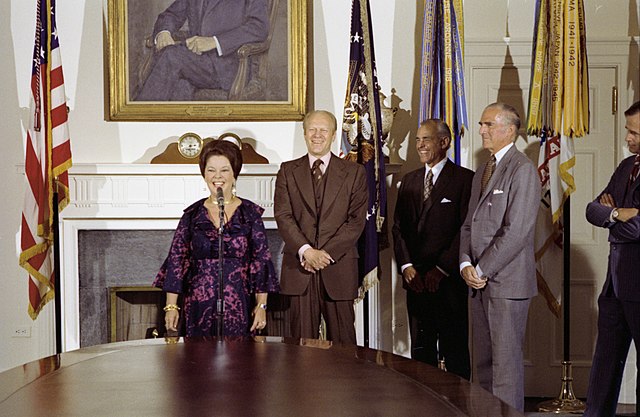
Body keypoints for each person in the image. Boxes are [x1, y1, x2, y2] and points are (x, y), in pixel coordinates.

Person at [459, 102, 541, 411]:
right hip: (478, 283)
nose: (481, 130)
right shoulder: (484, 169)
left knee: (505, 370)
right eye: (482, 124)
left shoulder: (522, 170)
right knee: (483, 365)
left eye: (487, 124)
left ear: (509, 130)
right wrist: (466, 263)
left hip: (505, 285)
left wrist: (481, 270)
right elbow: (470, 223)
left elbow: (517, 231)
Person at [154, 139, 279, 337]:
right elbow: (177, 261)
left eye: (224, 170)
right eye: (211, 170)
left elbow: (261, 263)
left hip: (239, 305)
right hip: (198, 304)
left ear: (234, 173)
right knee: (198, 362)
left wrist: (261, 305)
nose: (217, 176)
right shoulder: (192, 215)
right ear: (204, 173)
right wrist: (171, 306)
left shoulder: (250, 214)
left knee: (238, 362)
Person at [274, 110, 368, 344]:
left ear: (334, 135)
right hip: (300, 269)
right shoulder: (287, 170)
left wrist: (323, 255)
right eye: (312, 130)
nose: (317, 135)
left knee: (345, 349)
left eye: (323, 130)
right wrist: (307, 251)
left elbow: (356, 221)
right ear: (304, 134)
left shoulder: (354, 173)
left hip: (339, 268)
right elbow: (283, 216)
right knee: (300, 350)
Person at [392, 119, 474, 379]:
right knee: (421, 353)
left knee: (455, 351)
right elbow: (398, 228)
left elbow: (466, 228)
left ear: (444, 142)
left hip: (448, 283)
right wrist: (406, 267)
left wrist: (441, 269)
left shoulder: (465, 180)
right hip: (415, 282)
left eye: (426, 139)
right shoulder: (410, 180)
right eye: (417, 140)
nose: (420, 145)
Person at [583, 101, 640, 417]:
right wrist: (617, 212)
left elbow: (638, 228)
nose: (628, 139)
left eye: (634, 133)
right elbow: (593, 209)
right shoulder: (625, 167)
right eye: (627, 131)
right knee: (604, 364)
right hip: (614, 288)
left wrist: (613, 216)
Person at [136, 0, 269, 101]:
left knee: (171, 56)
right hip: (193, 62)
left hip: (229, 66)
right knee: (180, 86)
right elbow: (171, 14)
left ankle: (137, 118)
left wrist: (214, 42)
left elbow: (259, 27)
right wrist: (163, 33)